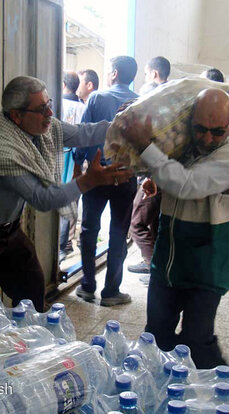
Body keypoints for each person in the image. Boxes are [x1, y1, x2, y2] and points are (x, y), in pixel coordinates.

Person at [0, 76, 132, 312]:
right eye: (42, 109)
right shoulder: (0, 148)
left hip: (6, 227)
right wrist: (88, 181)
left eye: (49, 103)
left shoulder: (44, 127)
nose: (50, 113)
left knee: (32, 288)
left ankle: (34, 335)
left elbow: (82, 133)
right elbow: (43, 198)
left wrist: (120, 126)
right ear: (16, 116)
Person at [119, 88, 229, 368]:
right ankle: (161, 391)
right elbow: (171, 174)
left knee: (196, 339)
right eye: (200, 129)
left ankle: (223, 393)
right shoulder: (185, 147)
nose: (207, 138)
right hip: (169, 261)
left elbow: (186, 184)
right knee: (156, 335)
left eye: (216, 131)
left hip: (205, 268)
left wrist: (145, 145)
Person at [74, 56, 139, 307]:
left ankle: (87, 286)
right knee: (119, 233)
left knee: (90, 229)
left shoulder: (97, 98)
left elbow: (84, 134)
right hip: (126, 176)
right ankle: (111, 292)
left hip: (97, 174)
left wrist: (79, 165)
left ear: (113, 73)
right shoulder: (140, 102)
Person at [128, 56, 171, 276]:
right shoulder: (172, 102)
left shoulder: (153, 99)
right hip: (165, 173)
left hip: (153, 176)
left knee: (137, 223)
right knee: (154, 223)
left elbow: (149, 141)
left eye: (146, 73)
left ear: (154, 74)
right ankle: (156, 266)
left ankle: (153, 268)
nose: (145, 78)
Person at [59, 71, 86, 261]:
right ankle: (66, 242)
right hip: (77, 161)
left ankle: (59, 244)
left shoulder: (58, 106)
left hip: (60, 158)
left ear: (63, 84)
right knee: (72, 201)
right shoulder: (83, 108)